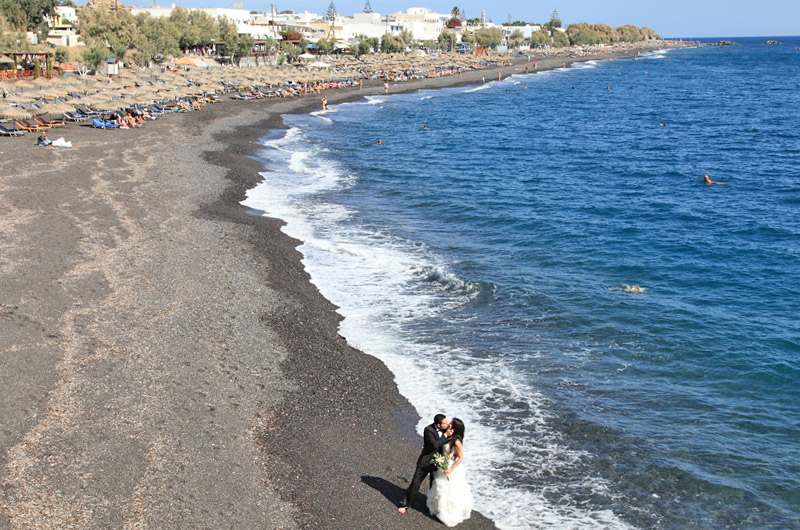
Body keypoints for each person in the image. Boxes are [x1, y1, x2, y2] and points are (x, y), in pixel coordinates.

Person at [398, 414, 451, 514]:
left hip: (437, 462)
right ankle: (405, 504)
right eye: (445, 423)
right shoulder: (428, 430)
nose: (447, 424)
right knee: (416, 482)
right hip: (425, 462)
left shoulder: (446, 430)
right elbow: (434, 445)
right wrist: (445, 436)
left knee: (434, 484)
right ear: (439, 425)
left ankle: (432, 505)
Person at [426, 418, 472, 527]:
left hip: (450, 467)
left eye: (451, 423)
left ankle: (448, 512)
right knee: (439, 486)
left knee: (448, 489)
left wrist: (451, 469)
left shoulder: (456, 441)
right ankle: (437, 508)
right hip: (443, 464)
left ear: (455, 427)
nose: (448, 424)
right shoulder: (448, 435)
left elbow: (461, 457)